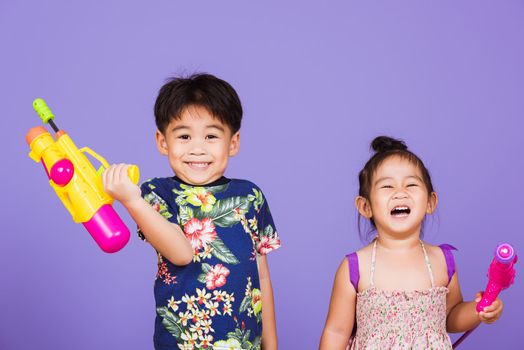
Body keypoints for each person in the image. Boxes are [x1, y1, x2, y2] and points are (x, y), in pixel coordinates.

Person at [103, 73, 281, 350]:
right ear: (163, 142)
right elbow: (181, 253)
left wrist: (271, 343)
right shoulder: (155, 194)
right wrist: (132, 201)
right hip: (181, 343)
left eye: (211, 136)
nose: (197, 148)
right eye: (184, 136)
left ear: (233, 142)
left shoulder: (250, 196)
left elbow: (262, 276)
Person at [319, 136, 504, 349]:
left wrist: (478, 309)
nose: (400, 192)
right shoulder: (355, 267)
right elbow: (336, 332)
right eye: (387, 186)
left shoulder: (442, 261)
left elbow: (451, 317)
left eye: (411, 184)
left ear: (430, 202)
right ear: (365, 206)